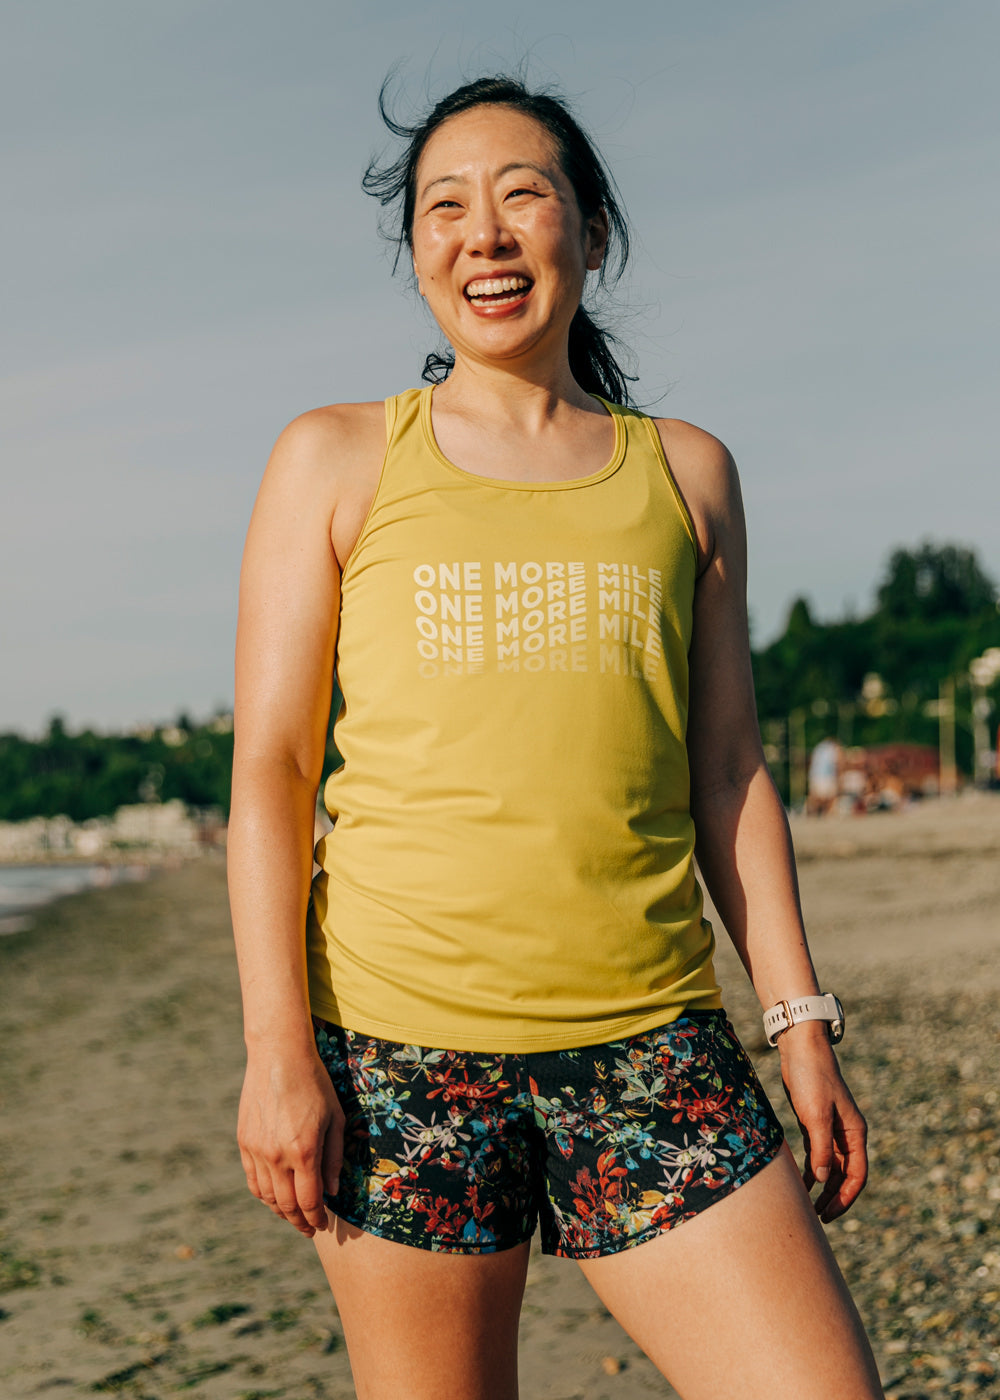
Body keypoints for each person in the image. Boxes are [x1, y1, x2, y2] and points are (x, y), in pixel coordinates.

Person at [229, 75, 885, 1400]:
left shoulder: (686, 474)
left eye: (524, 195)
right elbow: (272, 776)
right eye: (445, 206)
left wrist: (800, 1021)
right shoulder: (338, 458)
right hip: (398, 1056)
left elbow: (729, 772)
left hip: (651, 1041)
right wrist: (277, 1053)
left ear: (592, 232)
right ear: (415, 251)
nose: (486, 232)